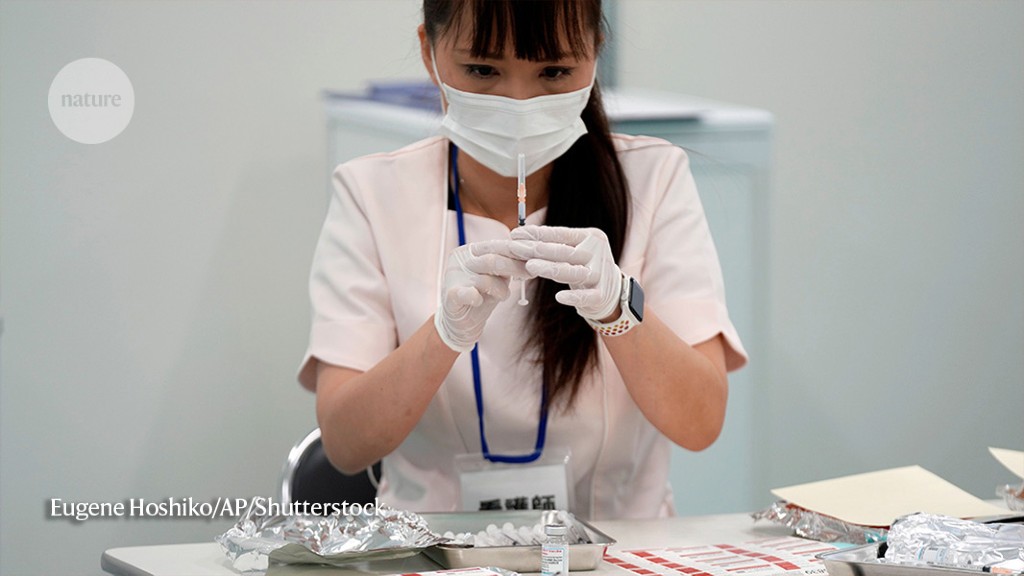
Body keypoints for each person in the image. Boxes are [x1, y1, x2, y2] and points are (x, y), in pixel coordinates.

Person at [298, 0, 747, 520]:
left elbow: (700, 423)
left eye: (554, 72)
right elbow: (346, 445)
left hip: (621, 544)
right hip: (433, 545)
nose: (518, 102)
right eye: (482, 70)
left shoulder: (653, 179)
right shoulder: (372, 193)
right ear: (429, 52)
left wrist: (618, 311)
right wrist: (443, 335)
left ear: (595, 54)